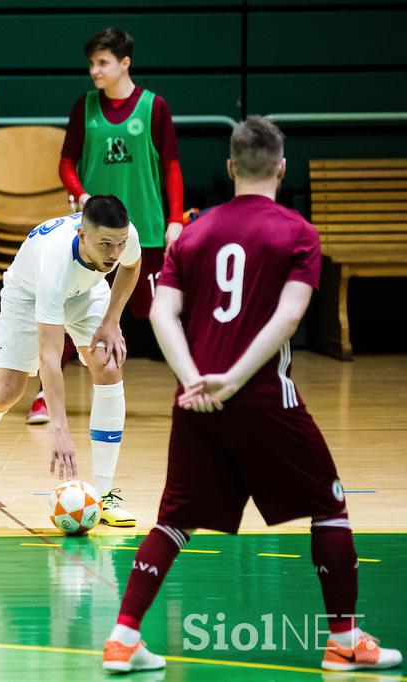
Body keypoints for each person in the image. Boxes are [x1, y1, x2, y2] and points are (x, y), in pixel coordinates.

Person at [102, 118, 401, 673]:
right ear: (282, 169)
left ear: (230, 167)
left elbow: (163, 314)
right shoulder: (297, 232)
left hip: (195, 399)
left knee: (173, 518)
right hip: (264, 397)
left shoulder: (192, 233)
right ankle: (343, 640)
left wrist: (195, 378)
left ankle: (123, 638)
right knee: (330, 508)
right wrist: (235, 379)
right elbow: (289, 317)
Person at [0, 195, 141, 528]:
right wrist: (59, 430)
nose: (114, 254)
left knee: (108, 365)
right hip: (28, 295)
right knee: (4, 394)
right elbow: (49, 356)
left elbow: (132, 266)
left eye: (119, 243)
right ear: (83, 236)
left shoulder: (122, 235)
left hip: (86, 292)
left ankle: (103, 494)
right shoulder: (54, 262)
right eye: (106, 245)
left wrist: (112, 320)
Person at [26, 27, 184, 429]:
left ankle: (192, 386)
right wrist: (80, 195)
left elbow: (171, 167)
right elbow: (66, 162)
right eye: (91, 63)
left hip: (141, 230)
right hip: (93, 238)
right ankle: (43, 395)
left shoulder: (154, 107)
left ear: (124, 62)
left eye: (103, 63)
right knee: (67, 310)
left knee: (161, 313)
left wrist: (175, 220)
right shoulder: (85, 107)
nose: (94, 71)